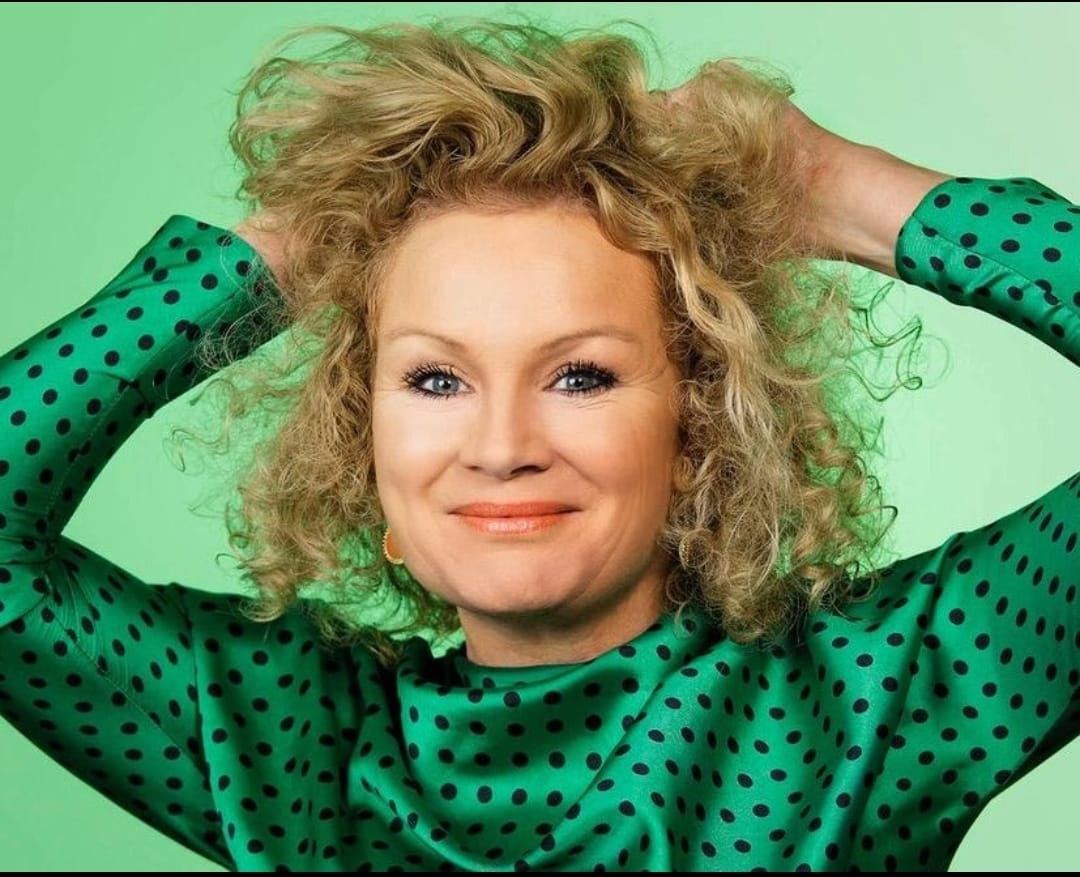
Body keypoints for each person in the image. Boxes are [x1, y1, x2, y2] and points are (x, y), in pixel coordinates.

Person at [0, 18, 1076, 872]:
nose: (501, 446)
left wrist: (852, 193)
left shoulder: (886, 689)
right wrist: (273, 258)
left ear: (699, 428)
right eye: (435, 379)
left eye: (580, 375)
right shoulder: (275, 730)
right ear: (359, 434)